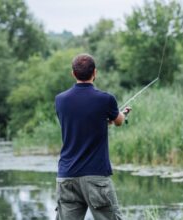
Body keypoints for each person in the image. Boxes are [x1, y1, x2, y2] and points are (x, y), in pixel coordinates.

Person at [54, 53, 131, 220]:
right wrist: (121, 115)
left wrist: (105, 120)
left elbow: (78, 124)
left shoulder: (60, 100)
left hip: (66, 176)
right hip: (96, 176)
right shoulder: (106, 99)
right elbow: (118, 121)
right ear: (95, 72)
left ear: (73, 73)